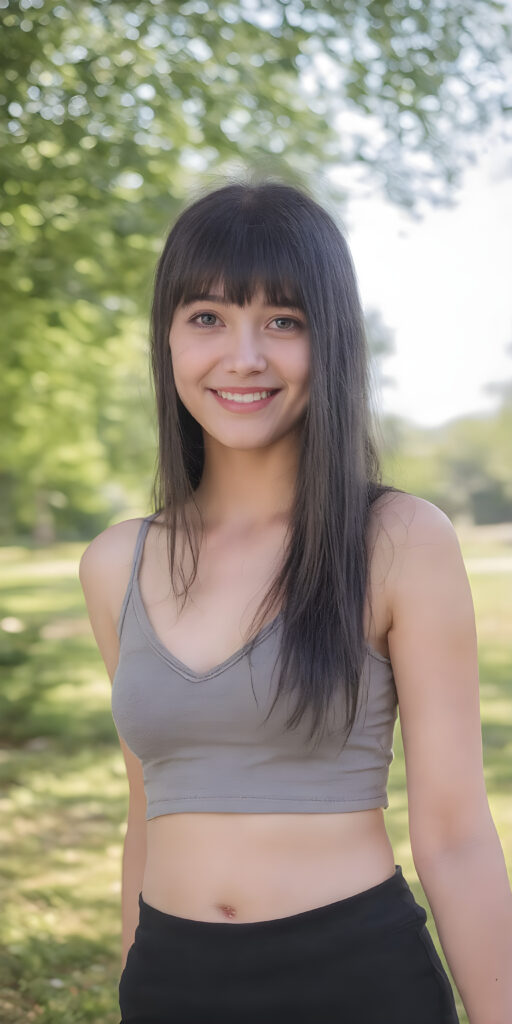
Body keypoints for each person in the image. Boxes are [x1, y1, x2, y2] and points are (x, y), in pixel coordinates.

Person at [79, 178, 512, 1024]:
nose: (244, 357)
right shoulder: (115, 563)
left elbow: (457, 833)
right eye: (208, 317)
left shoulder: (397, 540)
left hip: (355, 981)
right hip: (171, 986)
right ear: (168, 338)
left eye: (283, 321)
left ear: (332, 341)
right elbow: (148, 809)